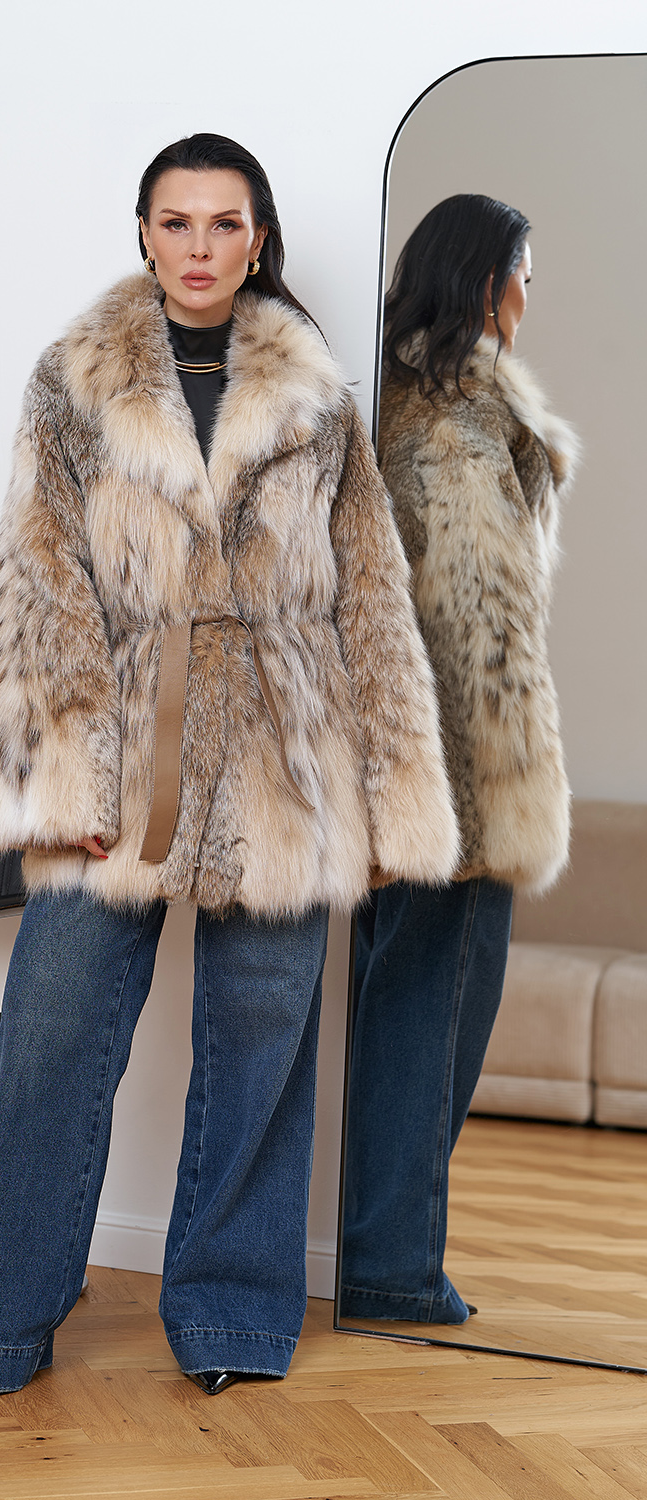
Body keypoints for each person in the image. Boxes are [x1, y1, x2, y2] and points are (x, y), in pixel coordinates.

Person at [0, 133, 458, 1399]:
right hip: (125, 736)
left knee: (259, 1049)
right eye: (177, 222)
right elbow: (37, 577)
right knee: (54, 1033)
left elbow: (371, 597)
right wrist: (67, 780)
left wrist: (390, 801)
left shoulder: (321, 398)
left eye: (225, 224)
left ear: (258, 238)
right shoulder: (74, 381)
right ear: (144, 232)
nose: (201, 247)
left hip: (288, 756)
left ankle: (229, 1320)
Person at [340, 194, 578, 1325]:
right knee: (428, 1026)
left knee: (394, 1014)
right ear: (488, 284)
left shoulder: (395, 409)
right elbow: (477, 638)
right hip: (457, 792)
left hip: (401, 780)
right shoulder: (457, 429)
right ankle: (389, 1268)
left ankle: (367, 1253)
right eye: (526, 273)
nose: (532, 295)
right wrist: (484, 809)